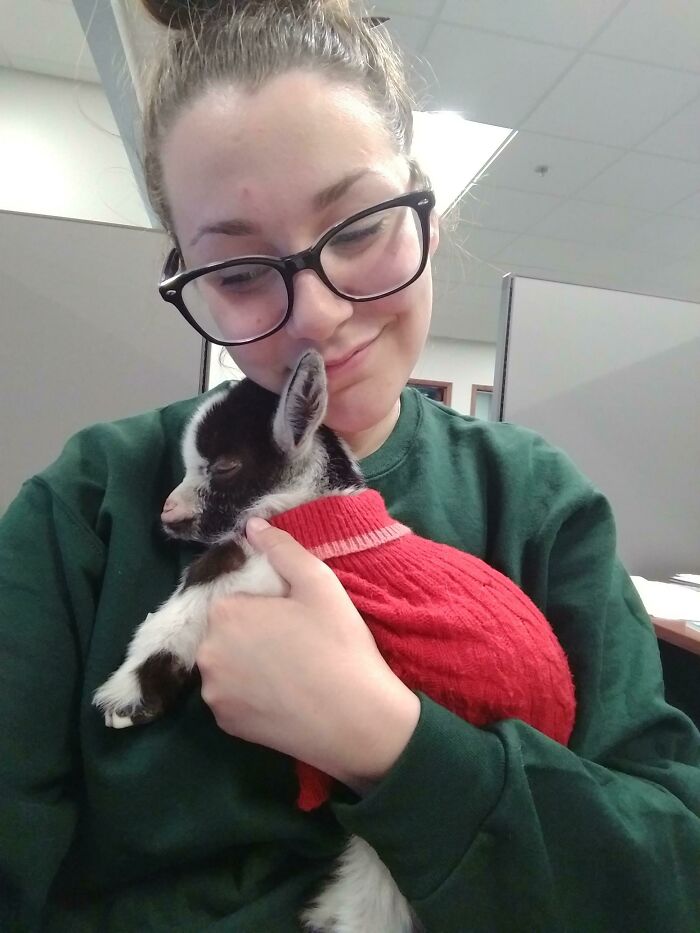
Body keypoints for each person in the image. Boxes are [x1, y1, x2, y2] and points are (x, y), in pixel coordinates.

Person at [0, 0, 698, 930]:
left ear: (426, 216)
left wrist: (392, 743)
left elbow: (666, 872)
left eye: (360, 227)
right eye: (240, 273)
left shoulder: (538, 506)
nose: (319, 317)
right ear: (190, 280)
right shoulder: (90, 501)